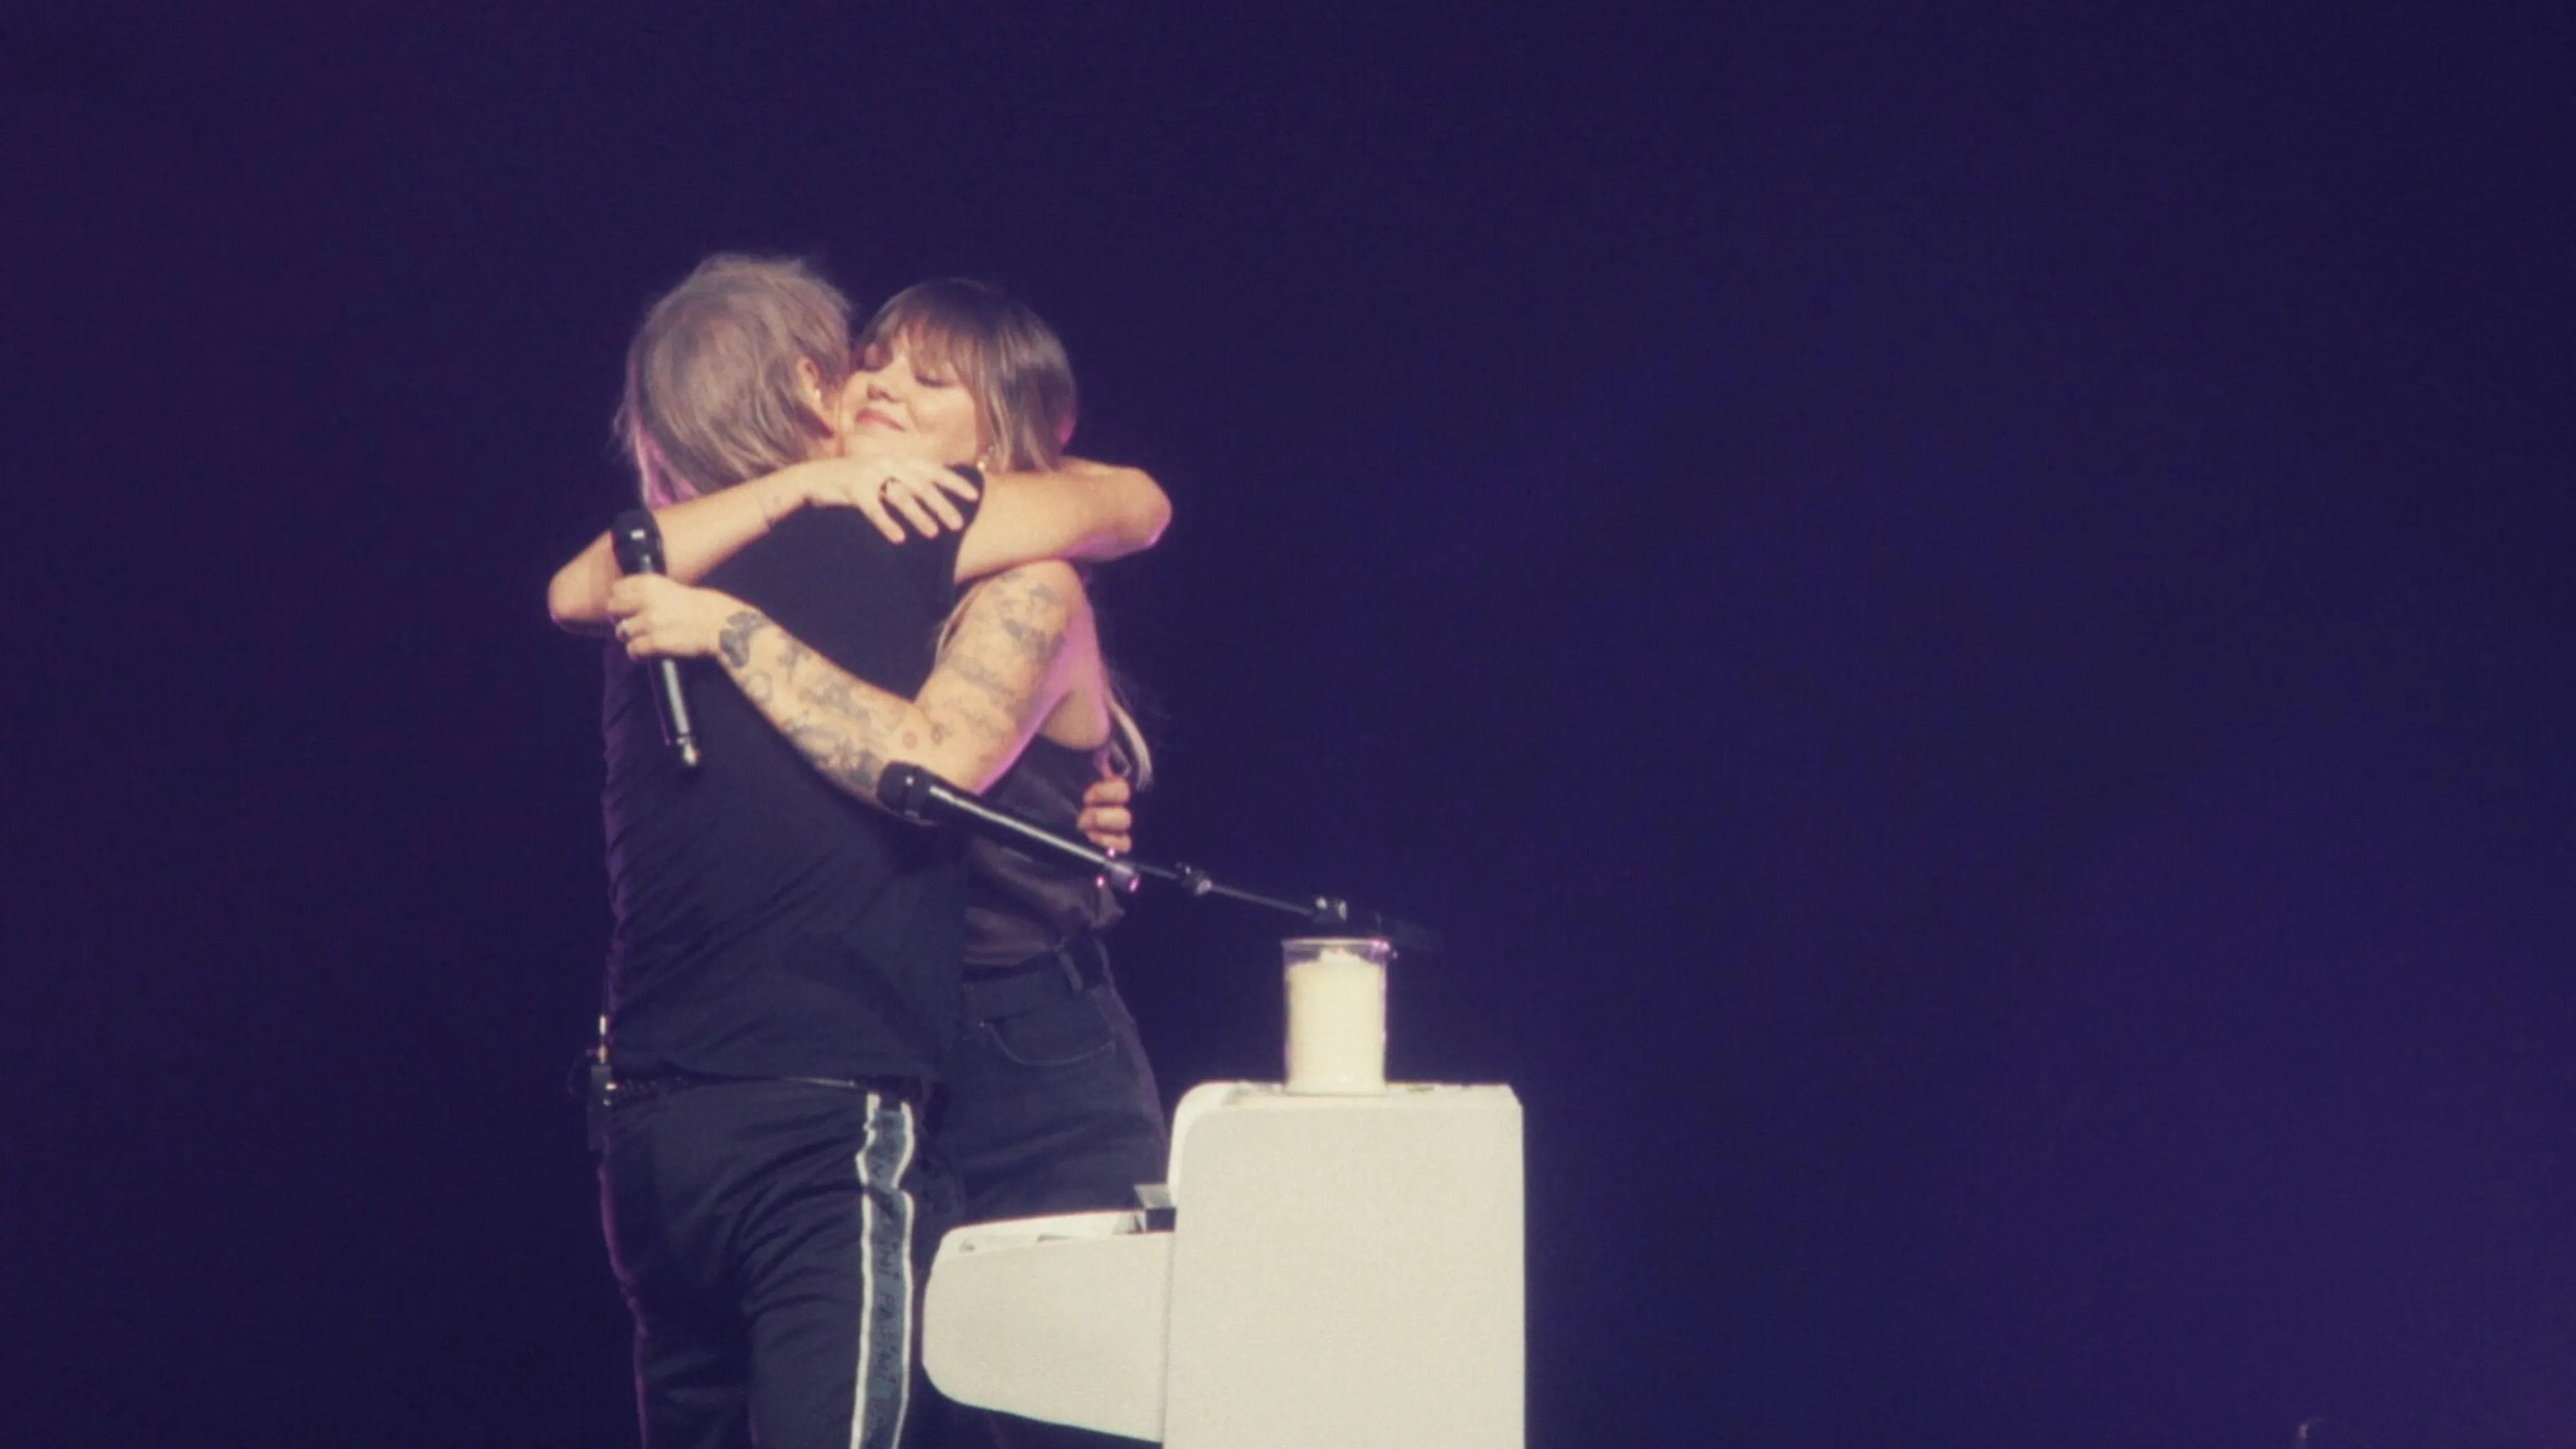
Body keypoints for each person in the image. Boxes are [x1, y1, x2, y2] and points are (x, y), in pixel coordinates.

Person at [561, 254, 1166, 1449]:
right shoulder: (846, 534)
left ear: (996, 439)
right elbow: (583, 583)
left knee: (1055, 1408)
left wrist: (730, 626)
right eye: (873, 362)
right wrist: (807, 484)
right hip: (887, 1041)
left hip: (1020, 1051)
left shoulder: (1016, 567)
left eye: (929, 380)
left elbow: (938, 755)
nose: (883, 386)